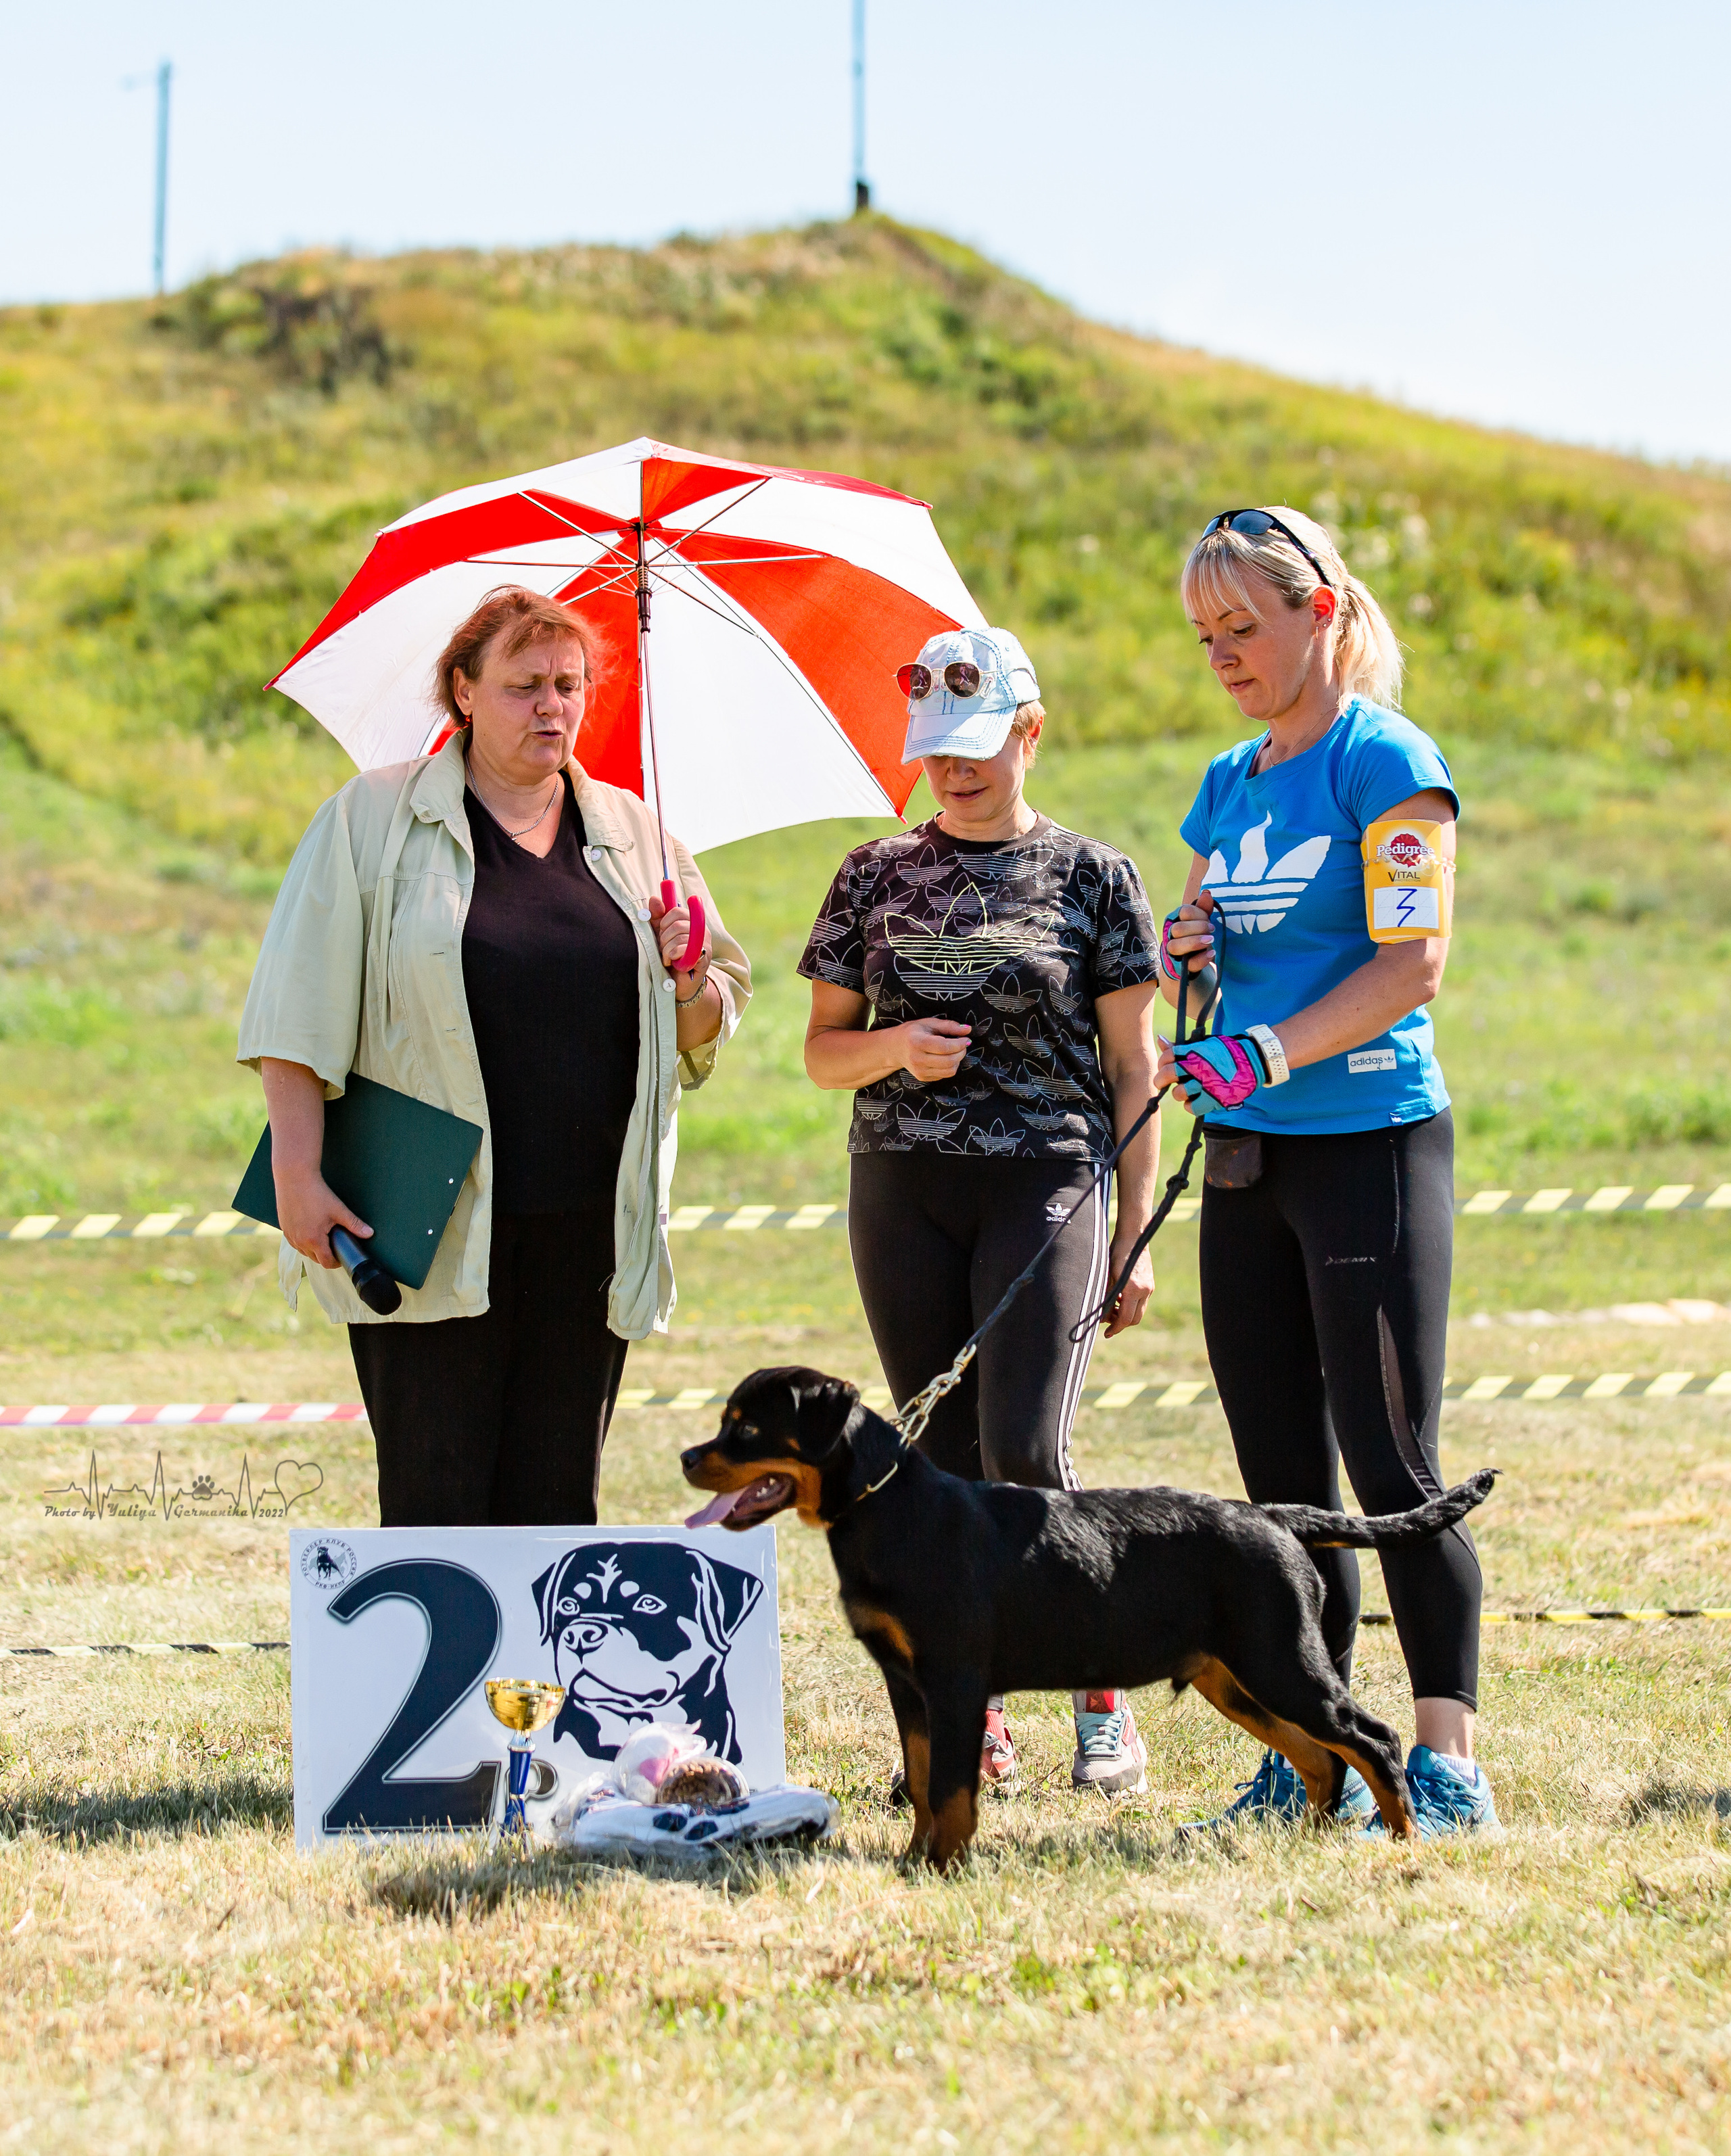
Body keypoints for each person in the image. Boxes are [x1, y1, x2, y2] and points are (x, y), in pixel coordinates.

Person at [237, 586, 751, 1528]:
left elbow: (706, 1028)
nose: (551, 706)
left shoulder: (641, 838)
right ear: (463, 691)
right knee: (437, 1500)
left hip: (592, 1226)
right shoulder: (370, 820)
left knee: (557, 1504)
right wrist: (297, 1173)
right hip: (426, 1220)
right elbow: (294, 1015)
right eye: (523, 685)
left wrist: (686, 976)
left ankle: (536, 1686)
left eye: (569, 683)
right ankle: (452, 1679)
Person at [1158, 507, 1495, 1838]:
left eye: (1243, 628)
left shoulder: (1387, 761)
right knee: (1277, 1476)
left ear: (1322, 615)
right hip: (1250, 1160)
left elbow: (1412, 963)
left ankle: (1445, 1760)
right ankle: (1313, 1738)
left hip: (1368, 1142)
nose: (1223, 655)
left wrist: (1271, 1049)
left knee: (1389, 1460)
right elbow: (1202, 937)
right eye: (1203, 636)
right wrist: (1191, 950)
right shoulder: (1227, 781)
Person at [800, 626, 1162, 1796]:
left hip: (1049, 1180)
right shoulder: (870, 875)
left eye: (978, 748)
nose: (954, 772)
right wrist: (895, 1047)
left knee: (1022, 1449)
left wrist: (1137, 1228)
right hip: (901, 1186)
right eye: (935, 753)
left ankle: (1103, 1699)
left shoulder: (1098, 877)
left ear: (1030, 730)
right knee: (935, 1464)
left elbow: (1133, 1068)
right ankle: (970, 1719)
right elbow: (821, 1056)